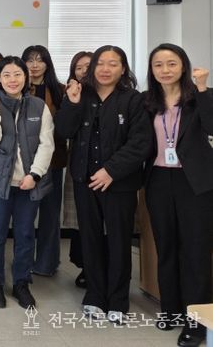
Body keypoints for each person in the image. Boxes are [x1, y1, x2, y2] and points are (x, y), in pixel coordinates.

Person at [55, 45, 152, 324]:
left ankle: (118, 300)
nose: (105, 69)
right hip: (85, 180)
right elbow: (63, 131)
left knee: (120, 240)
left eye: (113, 63)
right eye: (100, 63)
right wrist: (72, 103)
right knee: (91, 238)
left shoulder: (133, 99)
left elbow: (140, 143)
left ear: (123, 69)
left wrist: (111, 170)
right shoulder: (81, 95)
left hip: (118, 182)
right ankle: (95, 295)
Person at [143, 44, 212, 347]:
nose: (165, 70)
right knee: (166, 247)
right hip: (158, 179)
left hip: (193, 182)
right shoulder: (147, 102)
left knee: (195, 251)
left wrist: (203, 88)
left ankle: (196, 322)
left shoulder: (200, 97)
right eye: (158, 64)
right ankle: (170, 310)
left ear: (183, 66)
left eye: (172, 63)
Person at [0, 56, 54, 309]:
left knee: (25, 233)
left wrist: (35, 174)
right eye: (6, 75)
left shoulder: (39, 106)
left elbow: (47, 144)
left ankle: (21, 282)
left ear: (25, 77)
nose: (12, 79)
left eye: (17, 74)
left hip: (28, 182)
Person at [21, 46, 67, 278]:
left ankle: (47, 263)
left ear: (47, 63)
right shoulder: (17, 87)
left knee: (50, 214)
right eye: (30, 60)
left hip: (52, 160)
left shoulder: (60, 90)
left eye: (40, 60)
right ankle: (23, 261)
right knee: (25, 216)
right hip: (23, 162)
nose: (35, 65)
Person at [62, 50, 93, 288]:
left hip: (109, 167)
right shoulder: (72, 94)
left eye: (88, 67)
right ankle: (86, 266)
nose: (83, 72)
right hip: (79, 162)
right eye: (78, 68)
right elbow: (64, 130)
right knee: (80, 218)